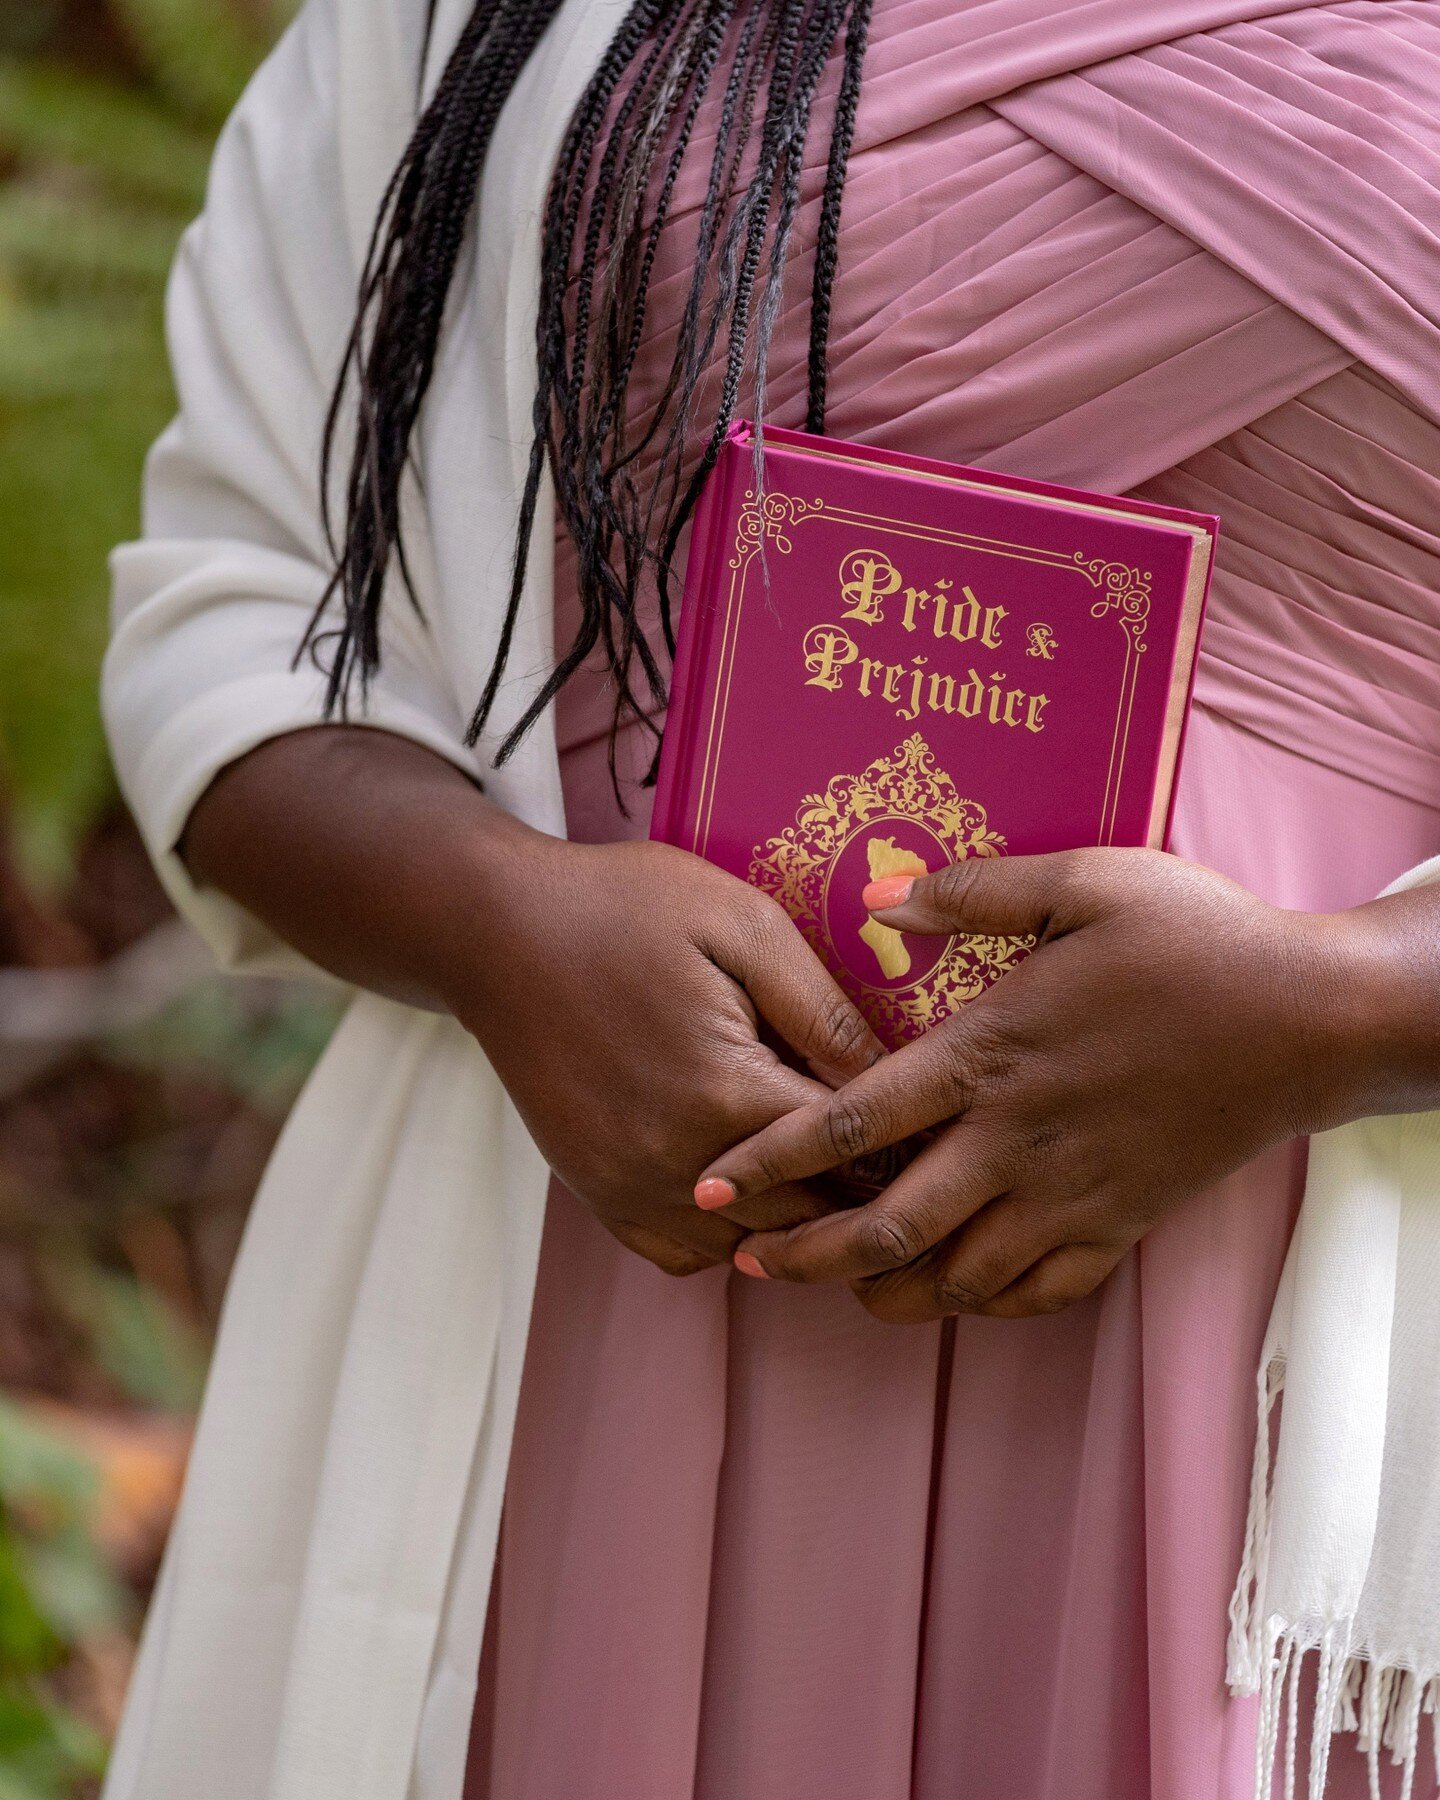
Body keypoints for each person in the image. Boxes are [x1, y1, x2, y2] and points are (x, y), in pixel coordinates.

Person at [100, 1, 1440, 1797]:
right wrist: (499, 926)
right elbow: (237, 597)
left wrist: (1339, 1009)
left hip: (1280, 1332)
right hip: (617, 1249)